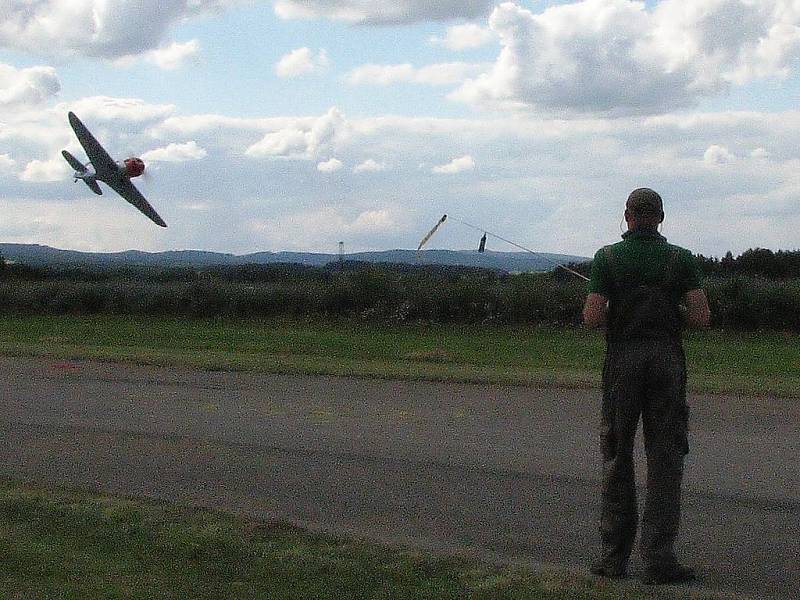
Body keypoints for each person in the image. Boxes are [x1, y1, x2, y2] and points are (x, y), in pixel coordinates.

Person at [582, 188, 710, 585]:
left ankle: (614, 557)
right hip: (667, 362)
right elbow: (702, 318)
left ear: (627, 217)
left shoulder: (607, 258)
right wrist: (672, 310)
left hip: (622, 361)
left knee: (618, 453)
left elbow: (591, 317)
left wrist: (618, 310)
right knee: (666, 456)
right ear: (661, 218)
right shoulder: (681, 260)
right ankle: (658, 558)